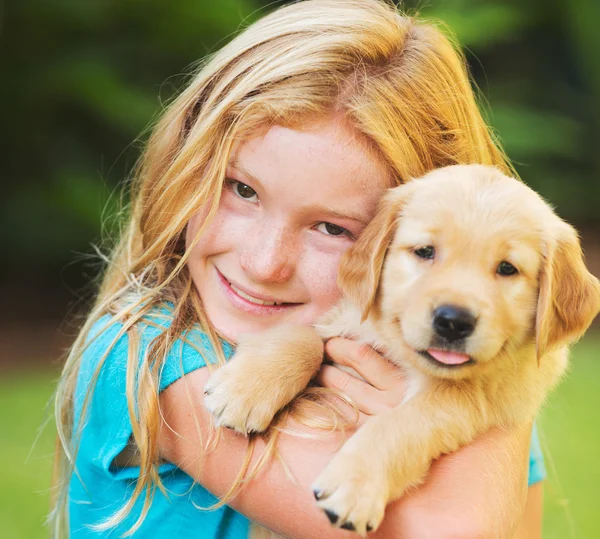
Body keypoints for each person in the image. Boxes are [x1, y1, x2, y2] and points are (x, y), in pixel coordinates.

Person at [52, 0, 546, 537]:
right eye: (243, 190)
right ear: (184, 164)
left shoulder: (452, 362)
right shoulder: (151, 358)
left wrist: (483, 392)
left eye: (333, 229)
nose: (264, 264)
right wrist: (494, 403)